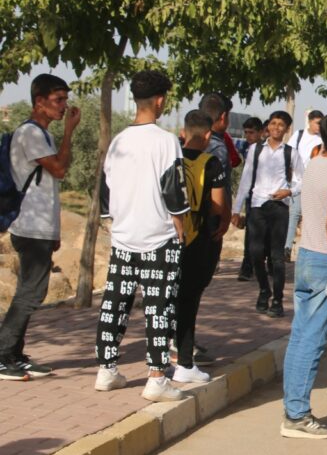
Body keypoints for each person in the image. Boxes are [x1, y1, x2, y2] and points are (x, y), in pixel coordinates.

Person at [93, 70, 188, 402]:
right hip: (158, 237)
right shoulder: (166, 141)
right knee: (158, 307)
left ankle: (106, 370)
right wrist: (181, 224)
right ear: (160, 100)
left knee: (114, 303)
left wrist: (112, 221)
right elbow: (174, 189)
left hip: (122, 235)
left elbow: (106, 189)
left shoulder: (118, 140)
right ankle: (157, 377)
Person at [280, 112, 327, 439]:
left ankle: (293, 408)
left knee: (300, 336)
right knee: (313, 341)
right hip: (326, 260)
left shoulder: (313, 164)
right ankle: (297, 415)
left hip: (305, 255)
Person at [0, 74, 80, 380]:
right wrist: (70, 132)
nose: (64, 106)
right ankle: (4, 353)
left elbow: (50, 183)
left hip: (40, 227)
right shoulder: (31, 134)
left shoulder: (42, 135)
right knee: (31, 292)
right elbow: (59, 168)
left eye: (64, 99)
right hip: (29, 225)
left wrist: (54, 232)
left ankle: (15, 354)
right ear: (39, 102)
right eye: (58, 100)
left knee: (32, 290)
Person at [232, 110, 304, 318]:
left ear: (286, 128)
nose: (276, 128)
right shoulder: (255, 150)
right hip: (257, 205)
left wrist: (289, 191)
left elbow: (302, 179)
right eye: (273, 124)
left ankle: (278, 299)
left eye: (281, 125)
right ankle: (264, 290)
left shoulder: (291, 153)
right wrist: (236, 210)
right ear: (268, 127)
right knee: (255, 252)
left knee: (277, 256)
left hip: (279, 206)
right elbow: (246, 180)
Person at [172, 110, 227, 384]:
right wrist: (221, 226)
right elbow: (218, 206)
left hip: (171, 237)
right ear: (207, 135)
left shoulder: (172, 159)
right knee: (189, 300)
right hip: (199, 241)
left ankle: (163, 354)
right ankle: (184, 360)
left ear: (184, 133)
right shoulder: (211, 162)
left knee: (167, 298)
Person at [285, 110, 324, 259]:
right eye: (317, 123)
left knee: (311, 217)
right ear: (310, 121)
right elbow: (289, 154)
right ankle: (287, 247)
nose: (319, 126)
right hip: (298, 181)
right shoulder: (299, 135)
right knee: (294, 214)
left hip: (314, 181)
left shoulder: (322, 139)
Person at [236, 116, 263, 282]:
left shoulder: (266, 150)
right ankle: (247, 267)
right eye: (246, 132)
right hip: (250, 196)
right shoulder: (244, 146)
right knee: (251, 233)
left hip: (266, 197)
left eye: (251, 132)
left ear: (260, 133)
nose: (248, 136)